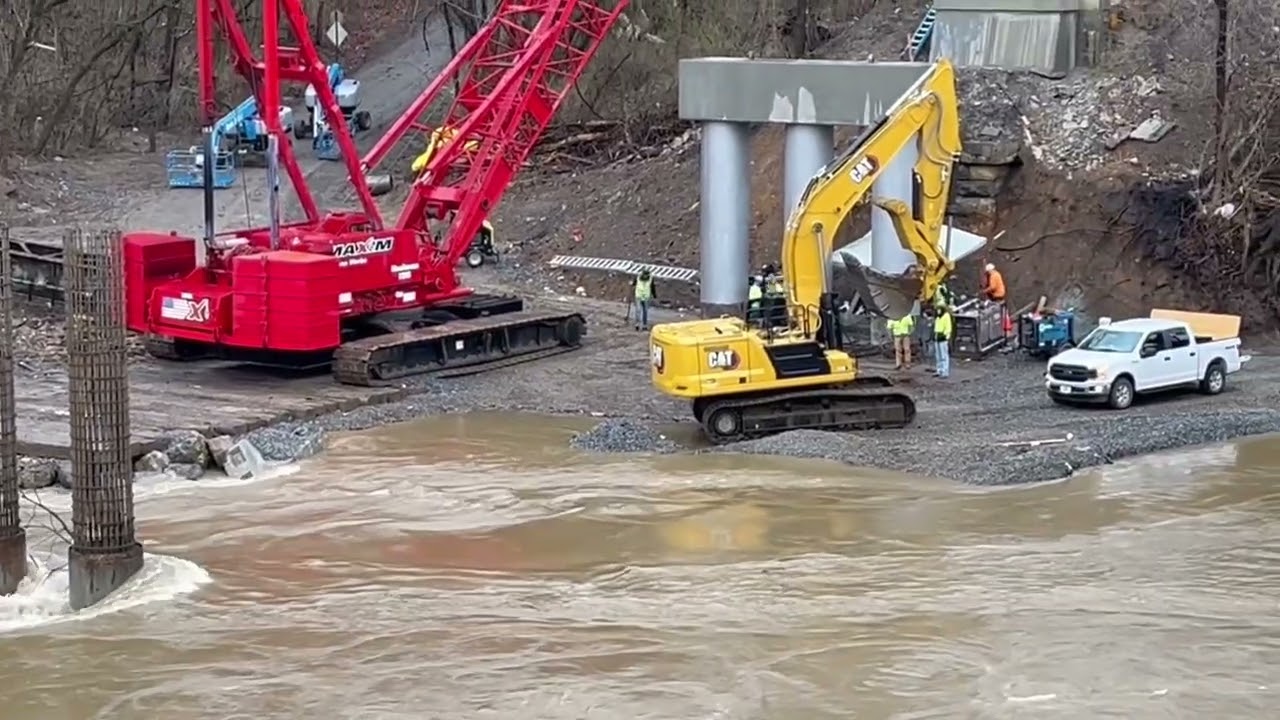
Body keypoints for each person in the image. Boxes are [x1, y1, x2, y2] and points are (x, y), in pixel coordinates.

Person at [933, 304, 954, 378]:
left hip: (943, 338)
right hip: (937, 336)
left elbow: (948, 327)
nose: (938, 311)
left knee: (944, 355)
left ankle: (945, 371)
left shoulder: (946, 316)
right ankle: (939, 370)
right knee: (938, 355)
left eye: (939, 309)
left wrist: (946, 337)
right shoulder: (937, 317)